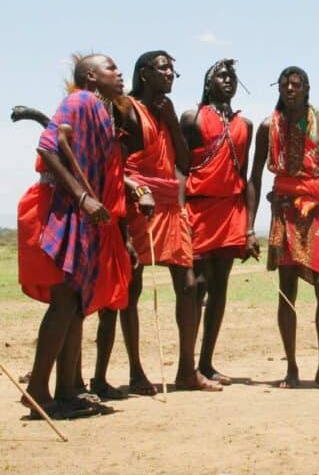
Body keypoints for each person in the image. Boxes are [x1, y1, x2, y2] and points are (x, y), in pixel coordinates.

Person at [91, 51, 221, 397]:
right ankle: (136, 371)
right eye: (164, 68)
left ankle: (185, 370)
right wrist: (133, 193)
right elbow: (115, 162)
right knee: (131, 287)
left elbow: (182, 160)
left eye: (172, 69)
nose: (171, 74)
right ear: (144, 73)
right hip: (138, 201)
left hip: (169, 203)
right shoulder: (126, 108)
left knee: (189, 285)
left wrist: (172, 122)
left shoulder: (166, 111)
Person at [16, 53, 134, 419]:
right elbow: (48, 148)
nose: (119, 73)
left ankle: (66, 391)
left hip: (86, 214)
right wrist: (83, 198)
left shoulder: (101, 109)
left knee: (77, 304)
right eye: (111, 68)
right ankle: (38, 391)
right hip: (66, 209)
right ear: (91, 76)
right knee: (65, 300)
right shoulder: (79, 100)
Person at [246, 67, 319, 390]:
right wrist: (249, 228)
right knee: (286, 290)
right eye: (285, 85)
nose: (290, 89)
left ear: (306, 88)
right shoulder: (266, 127)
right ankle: (291, 368)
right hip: (286, 209)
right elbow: (256, 178)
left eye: (296, 84)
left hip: (318, 209)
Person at [181, 59, 253, 385]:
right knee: (195, 287)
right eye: (222, 76)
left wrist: (249, 226)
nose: (228, 80)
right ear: (208, 82)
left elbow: (245, 175)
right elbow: (180, 169)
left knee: (220, 288)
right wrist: (180, 212)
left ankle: (207, 362)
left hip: (230, 211)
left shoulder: (245, 125)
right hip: (197, 209)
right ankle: (187, 365)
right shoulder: (192, 118)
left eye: (232, 76)